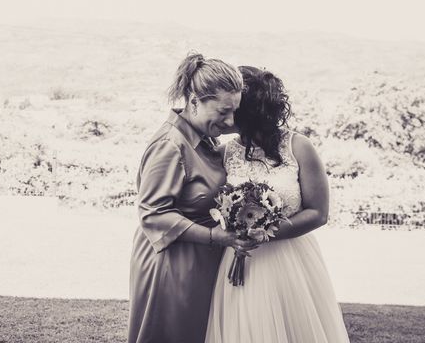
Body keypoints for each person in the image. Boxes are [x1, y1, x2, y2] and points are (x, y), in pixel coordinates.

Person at [204, 66, 350, 343]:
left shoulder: (299, 147)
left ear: (248, 111)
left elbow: (319, 213)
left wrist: (265, 233)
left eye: (232, 107)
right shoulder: (223, 152)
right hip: (239, 258)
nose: (226, 114)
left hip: (292, 262)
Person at [128, 53, 253, 343]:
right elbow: (153, 214)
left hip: (198, 261)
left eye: (234, 111)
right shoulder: (170, 144)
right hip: (170, 263)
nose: (230, 120)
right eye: (223, 112)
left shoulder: (204, 140)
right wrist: (214, 236)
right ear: (195, 101)